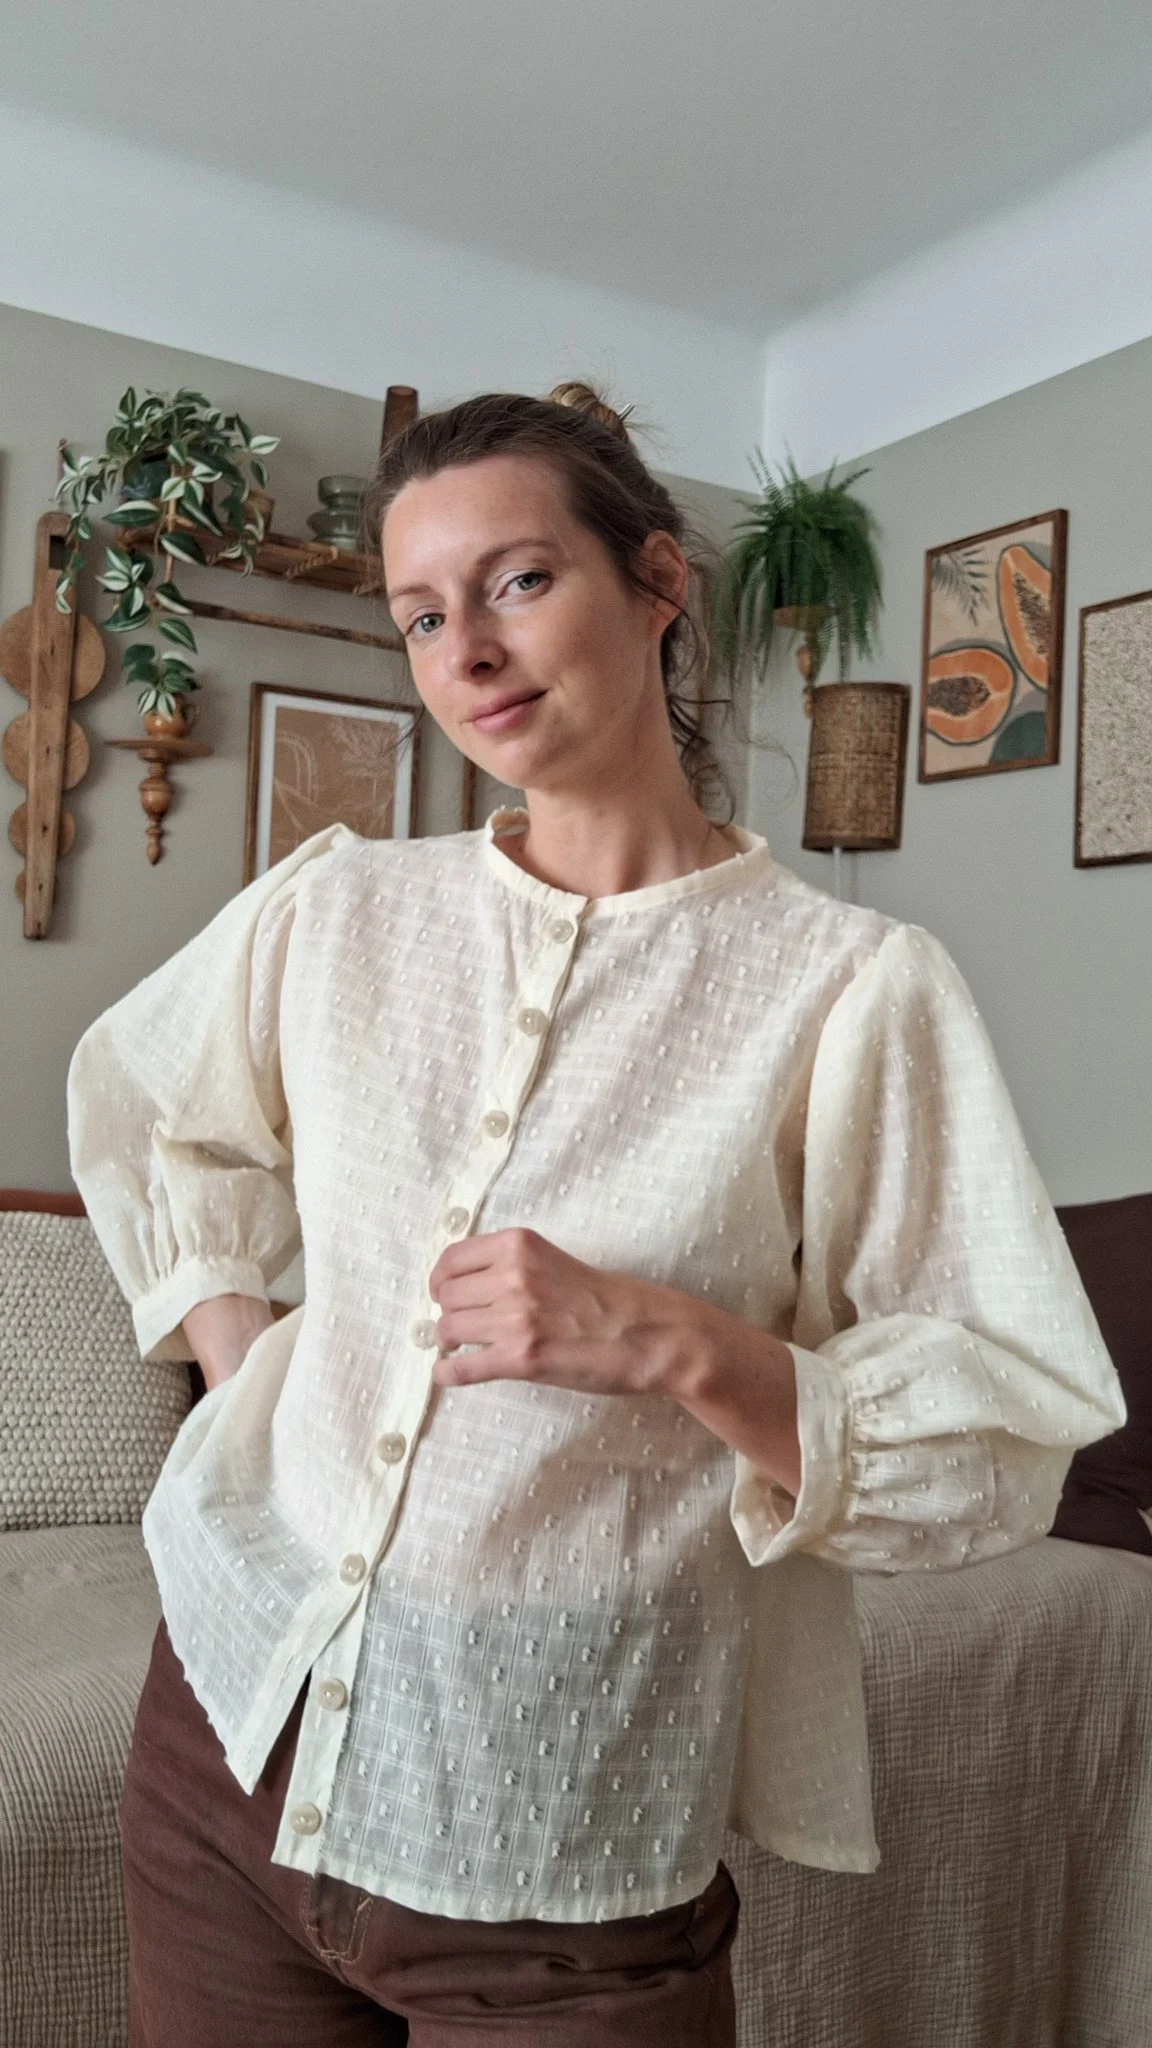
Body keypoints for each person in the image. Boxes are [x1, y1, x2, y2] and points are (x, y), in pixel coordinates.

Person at [66, 382, 1125, 2048]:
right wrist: (243, 1355)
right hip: (225, 1738)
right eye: (424, 615)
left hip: (559, 1828)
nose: (469, 652)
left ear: (657, 580)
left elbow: (1005, 1418)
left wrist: (675, 1344)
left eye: (519, 581)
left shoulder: (849, 989)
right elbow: (152, 1106)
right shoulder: (341, 908)